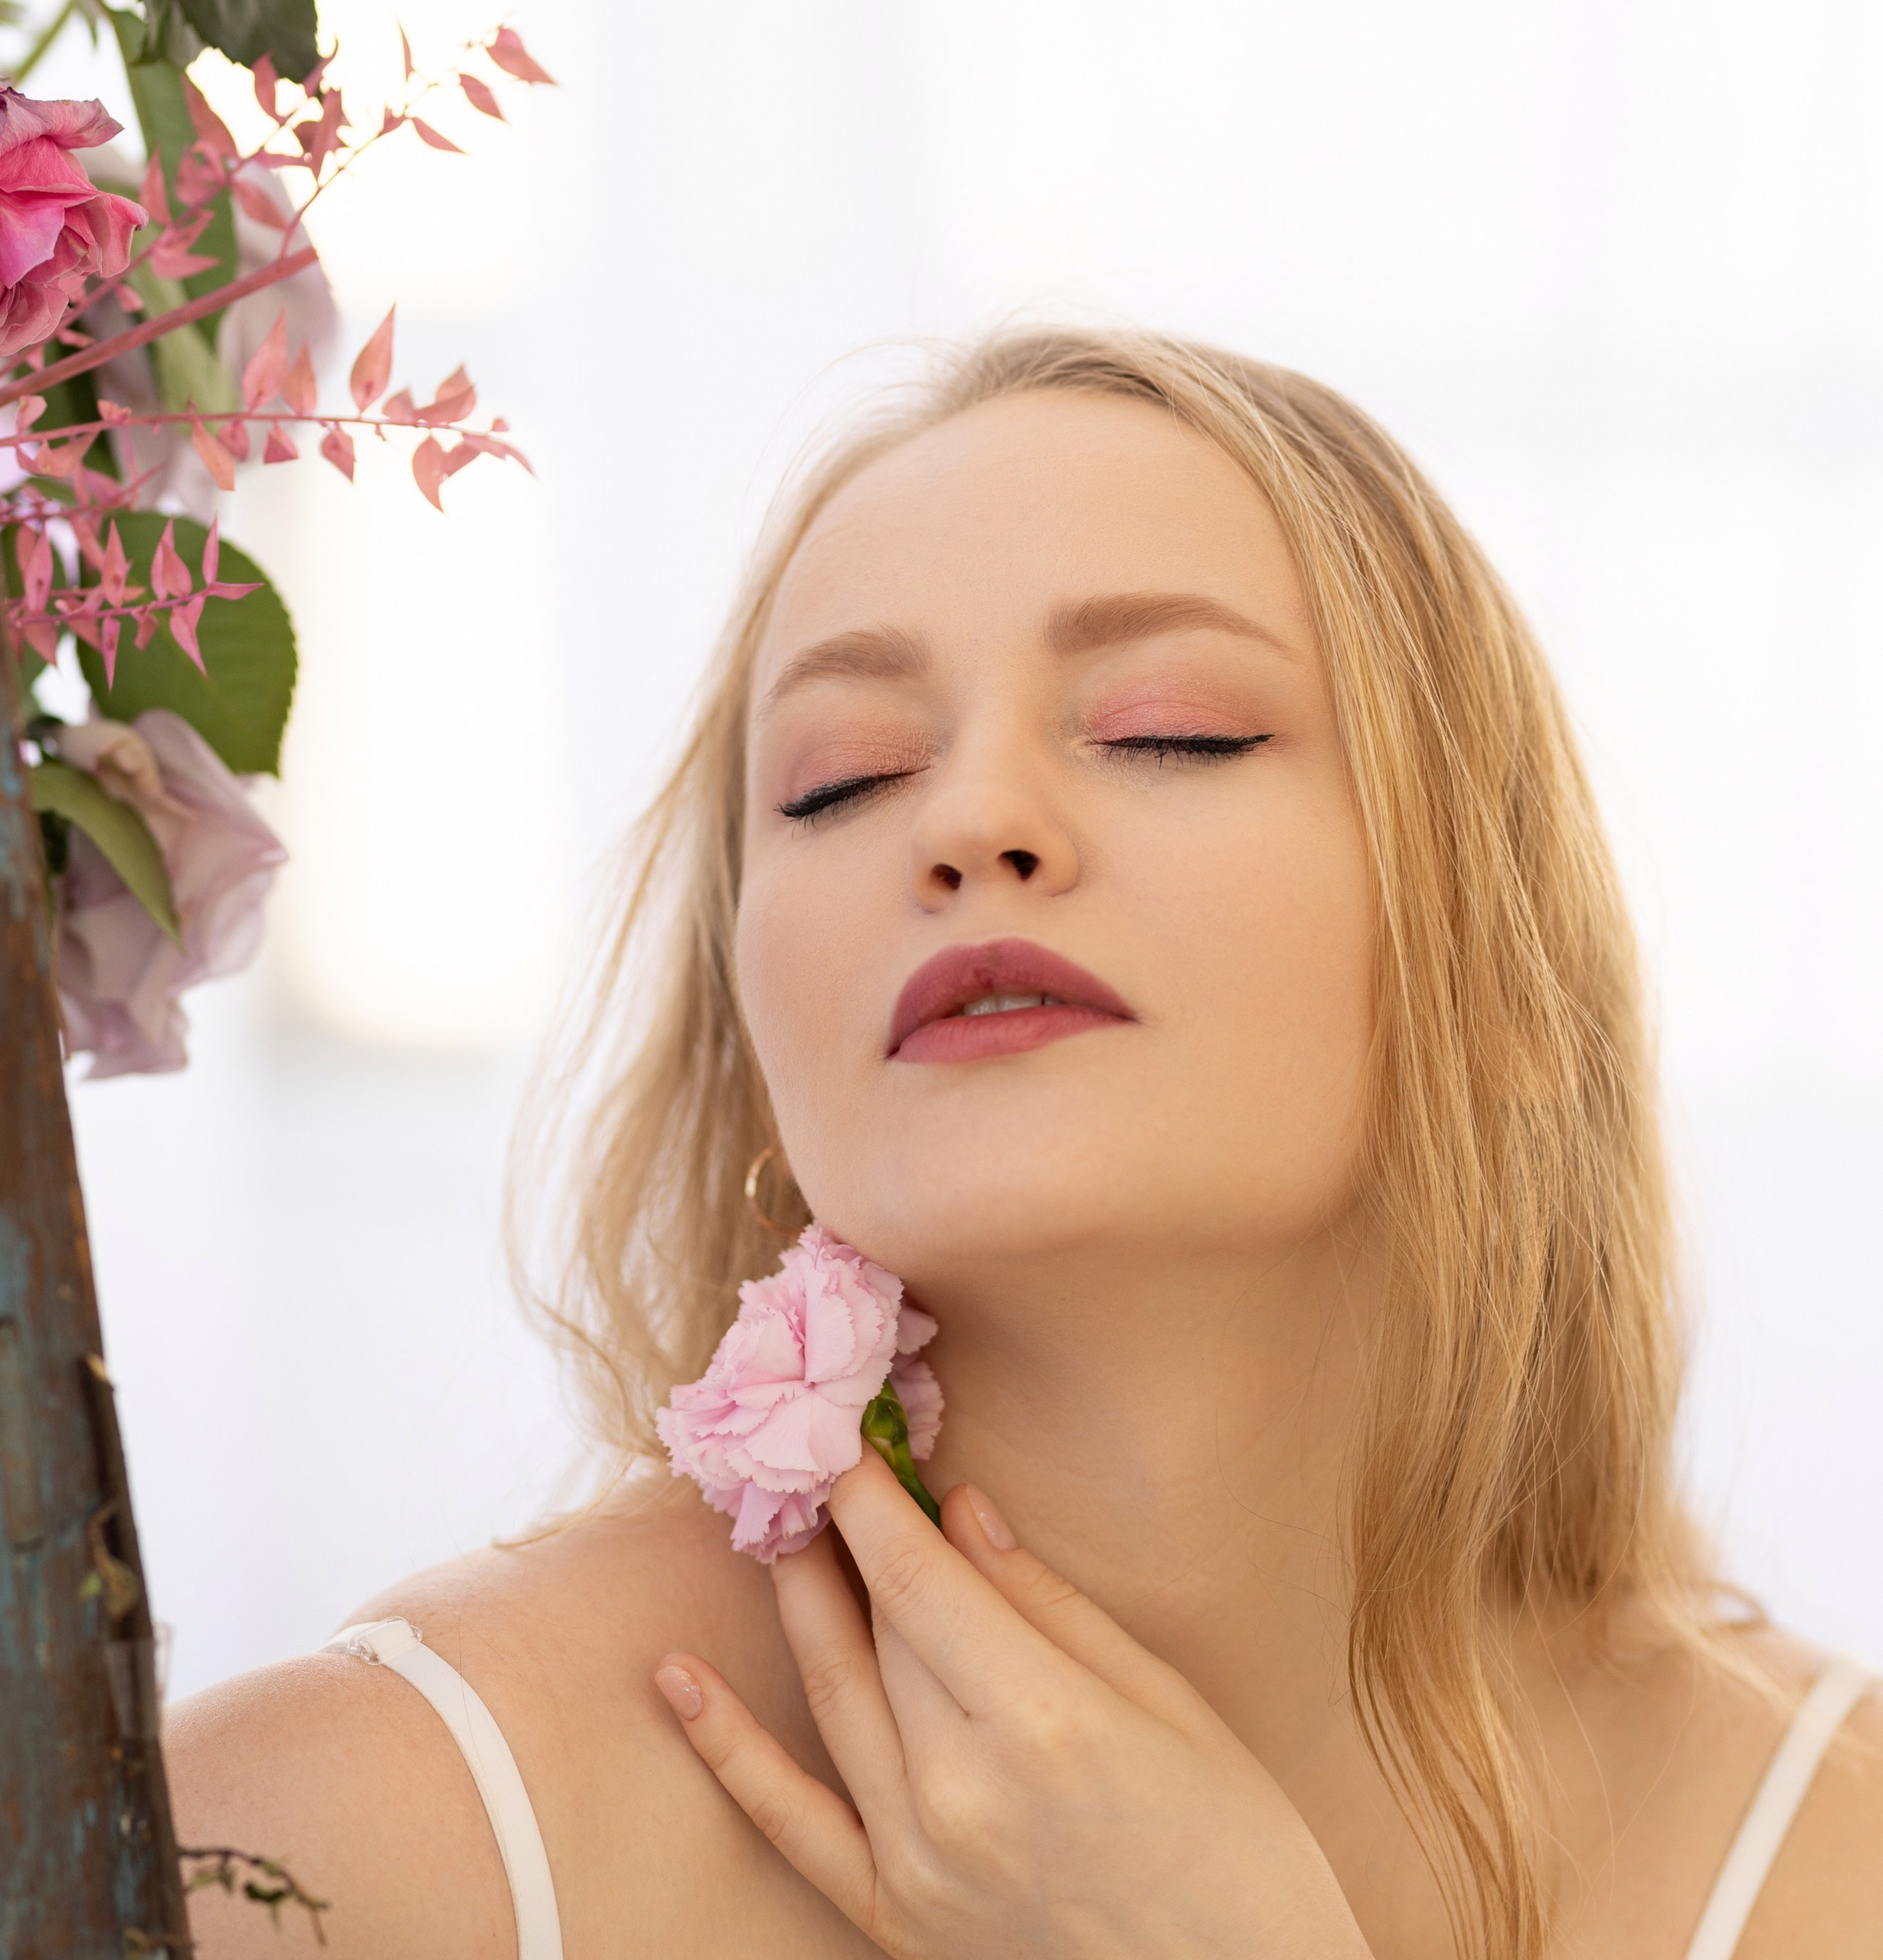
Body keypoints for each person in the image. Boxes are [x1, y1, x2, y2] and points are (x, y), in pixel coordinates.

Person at [163, 331, 1881, 1959]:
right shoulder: (320, 1842)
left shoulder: (1837, 1846)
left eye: (1167, 732)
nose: (970, 821)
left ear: (1502, 978)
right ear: (758, 1045)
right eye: (840, 778)